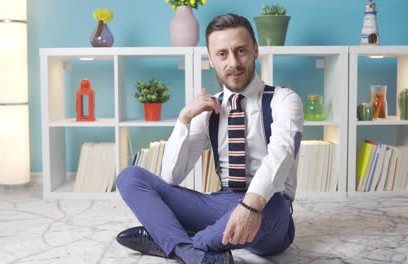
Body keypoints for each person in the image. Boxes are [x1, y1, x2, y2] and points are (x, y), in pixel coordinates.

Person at [115, 13, 303, 264]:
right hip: (221, 206)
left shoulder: (284, 100)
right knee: (130, 177)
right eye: (222, 54)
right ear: (211, 60)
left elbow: (282, 154)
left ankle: (173, 243)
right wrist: (183, 119)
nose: (233, 62)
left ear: (255, 51)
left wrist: (250, 206)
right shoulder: (209, 110)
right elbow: (171, 177)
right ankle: (193, 252)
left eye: (241, 51)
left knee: (275, 204)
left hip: (269, 211)